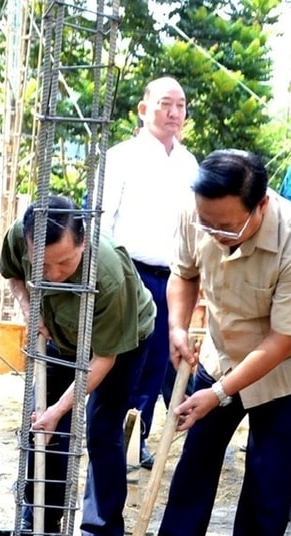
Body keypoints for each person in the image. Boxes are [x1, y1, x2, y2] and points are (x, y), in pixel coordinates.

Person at [129, 150, 291, 536]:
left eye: (227, 228)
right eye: (208, 225)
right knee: (195, 456)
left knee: (269, 479)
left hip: (289, 370)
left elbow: (283, 340)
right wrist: (178, 328)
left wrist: (219, 394)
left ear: (260, 205)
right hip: (222, 353)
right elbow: (184, 274)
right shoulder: (196, 214)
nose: (215, 236)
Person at [0, 196, 156, 536]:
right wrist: (28, 303)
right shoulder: (22, 235)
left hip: (119, 343)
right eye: (42, 264)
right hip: (59, 331)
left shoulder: (109, 273)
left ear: (82, 242)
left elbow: (102, 359)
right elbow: (13, 274)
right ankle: (42, 515)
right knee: (42, 425)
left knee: (100, 429)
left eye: (64, 263)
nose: (52, 273)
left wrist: (59, 410)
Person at [100, 76, 198, 470]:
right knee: (123, 364)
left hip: (172, 278)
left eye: (180, 104)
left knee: (156, 364)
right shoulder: (121, 156)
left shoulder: (189, 163)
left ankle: (135, 440)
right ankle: (109, 440)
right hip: (126, 274)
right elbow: (102, 222)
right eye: (164, 104)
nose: (174, 112)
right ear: (144, 109)